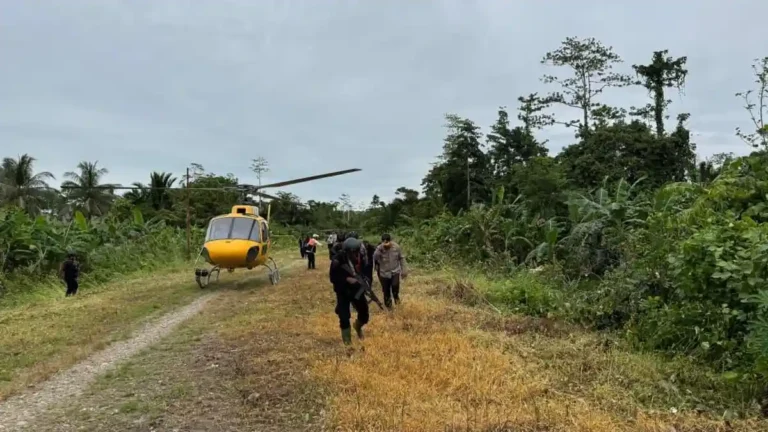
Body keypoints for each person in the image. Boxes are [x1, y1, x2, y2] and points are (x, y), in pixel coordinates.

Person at [330, 237, 369, 345]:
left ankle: (358, 326)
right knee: (344, 317)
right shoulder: (337, 261)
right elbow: (333, 278)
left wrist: (365, 281)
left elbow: (366, 270)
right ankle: (348, 343)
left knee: (364, 312)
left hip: (357, 289)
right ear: (347, 251)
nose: (356, 254)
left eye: (357, 251)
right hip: (343, 290)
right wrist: (346, 279)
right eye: (354, 252)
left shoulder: (360, 256)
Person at [373, 233, 408, 309]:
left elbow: (401, 258)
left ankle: (396, 300)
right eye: (384, 241)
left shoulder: (396, 247)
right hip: (384, 273)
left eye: (387, 241)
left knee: (395, 286)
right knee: (386, 291)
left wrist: (404, 270)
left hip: (395, 271)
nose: (386, 243)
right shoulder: (380, 248)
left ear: (390, 241)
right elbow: (375, 258)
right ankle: (389, 308)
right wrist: (380, 249)